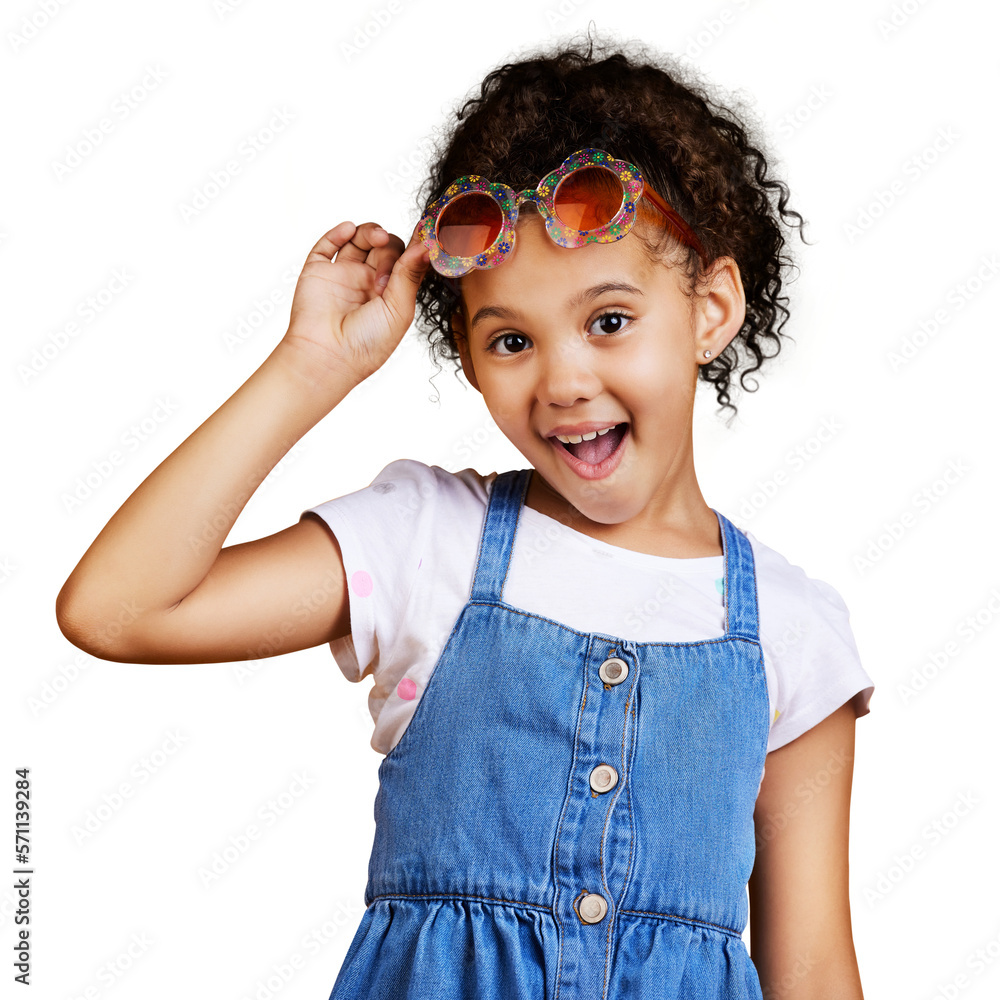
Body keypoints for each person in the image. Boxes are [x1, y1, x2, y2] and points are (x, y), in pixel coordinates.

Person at [56, 30, 874, 1000]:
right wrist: (311, 368)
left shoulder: (791, 631)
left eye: (608, 320)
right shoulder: (422, 542)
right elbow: (116, 607)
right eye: (511, 338)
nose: (565, 380)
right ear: (467, 353)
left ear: (711, 306)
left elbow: (813, 969)